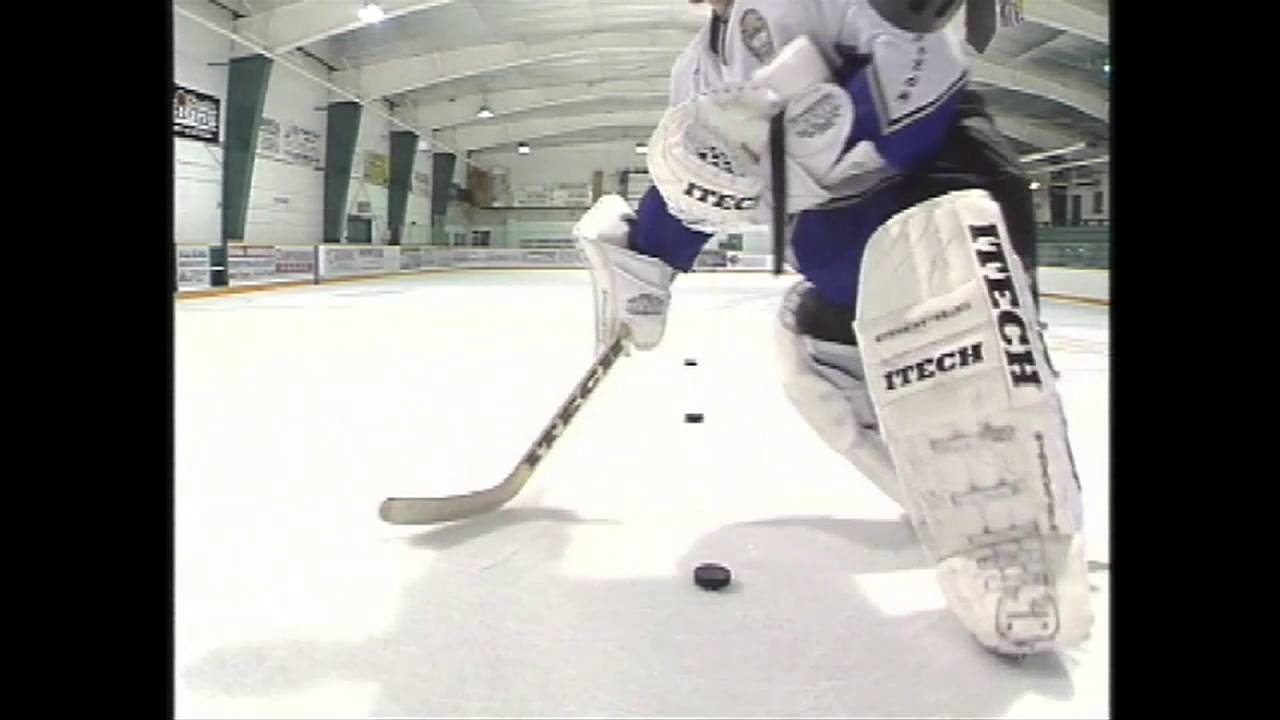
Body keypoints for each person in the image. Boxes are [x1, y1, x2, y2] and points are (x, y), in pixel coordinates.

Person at [574, 0, 1091, 656]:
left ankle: (1017, 543)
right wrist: (647, 258)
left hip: (939, 196)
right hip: (845, 251)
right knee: (818, 357)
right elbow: (702, 182)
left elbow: (920, 82)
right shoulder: (695, 71)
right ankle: (952, 503)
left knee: (961, 342)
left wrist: (782, 142)